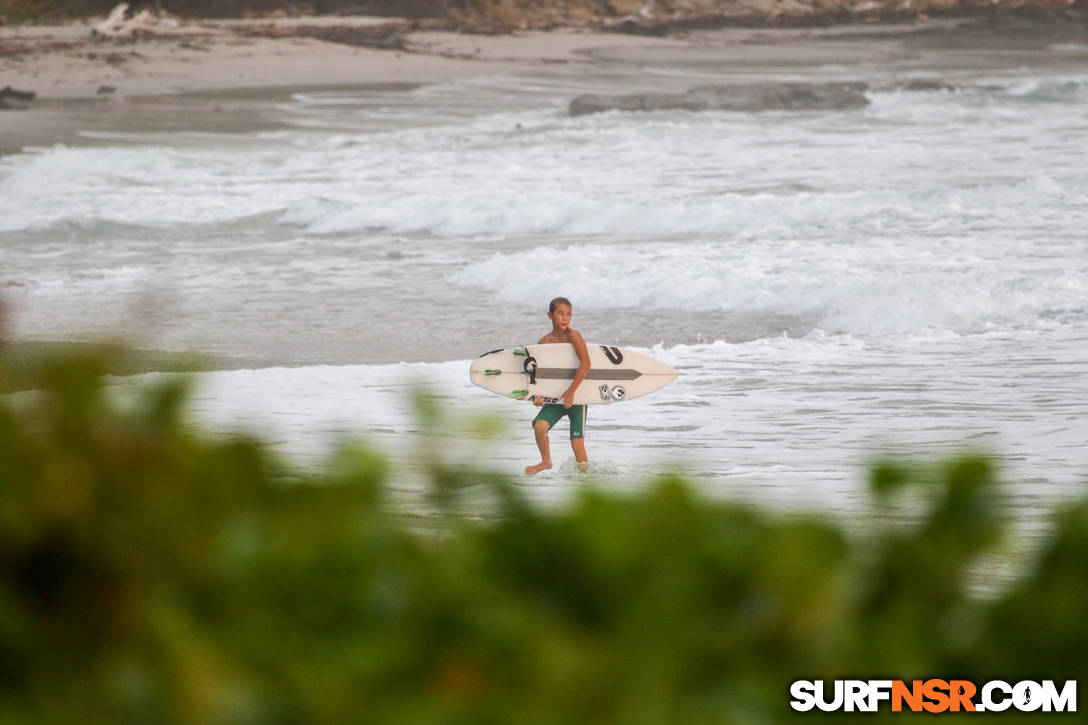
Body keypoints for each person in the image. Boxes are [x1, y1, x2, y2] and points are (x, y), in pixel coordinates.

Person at [525, 297, 591, 475]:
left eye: (569, 314)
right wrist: (537, 396)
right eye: (560, 314)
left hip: (577, 397)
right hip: (554, 397)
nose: (565, 318)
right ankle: (545, 462)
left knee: (576, 442)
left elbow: (585, 364)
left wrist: (570, 393)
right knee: (540, 426)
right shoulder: (544, 343)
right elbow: (540, 375)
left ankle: (586, 479)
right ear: (550, 315)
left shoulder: (573, 336)